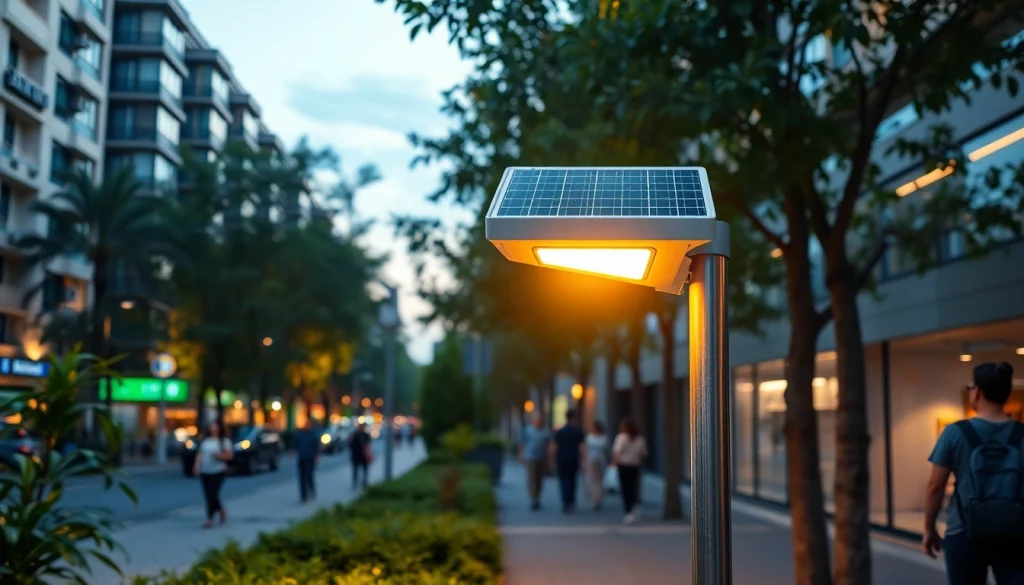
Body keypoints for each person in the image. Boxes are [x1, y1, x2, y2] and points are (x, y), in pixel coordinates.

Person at [923, 362, 1024, 584]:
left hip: (964, 531)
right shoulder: (1021, 434)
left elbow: (936, 487)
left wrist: (929, 529)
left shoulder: (955, 433)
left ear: (977, 392)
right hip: (1016, 533)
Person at [193, 421, 232, 529]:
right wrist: (197, 466)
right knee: (208, 495)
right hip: (205, 471)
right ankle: (220, 511)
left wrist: (219, 456)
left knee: (213, 493)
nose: (213, 428)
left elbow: (230, 455)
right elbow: (200, 454)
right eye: (211, 426)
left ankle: (210, 519)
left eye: (215, 426)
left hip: (218, 471)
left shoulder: (224, 441)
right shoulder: (206, 441)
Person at [613, 417, 647, 524]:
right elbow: (643, 453)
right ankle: (635, 508)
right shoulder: (640, 439)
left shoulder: (621, 438)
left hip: (624, 465)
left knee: (625, 489)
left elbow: (617, 452)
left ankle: (628, 511)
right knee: (634, 488)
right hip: (635, 466)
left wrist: (614, 464)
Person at [552, 409, 586, 514]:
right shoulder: (578, 431)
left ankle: (566, 502)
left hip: (562, 459)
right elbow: (582, 447)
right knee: (572, 481)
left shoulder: (560, 432)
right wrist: (583, 460)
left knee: (563, 481)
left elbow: (554, 447)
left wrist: (552, 460)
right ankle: (571, 501)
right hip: (574, 459)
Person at [519, 413, 550, 511]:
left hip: (542, 457)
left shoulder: (545, 432)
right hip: (530, 457)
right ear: (533, 421)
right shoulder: (527, 431)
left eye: (540, 421)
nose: (538, 422)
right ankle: (533, 499)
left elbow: (549, 445)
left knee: (539, 479)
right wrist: (521, 454)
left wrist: (549, 458)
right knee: (531, 479)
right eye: (537, 420)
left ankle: (537, 497)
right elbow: (522, 443)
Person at [584, 420, 609, 510]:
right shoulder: (601, 438)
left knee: (596, 480)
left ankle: (596, 498)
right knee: (595, 480)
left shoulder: (592, 438)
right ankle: (596, 498)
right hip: (595, 460)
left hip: (596, 460)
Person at [294, 420, 321, 503]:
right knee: (302, 477)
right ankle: (303, 496)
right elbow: (296, 443)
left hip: (310, 457)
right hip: (302, 457)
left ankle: (311, 489)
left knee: (309, 475)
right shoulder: (300, 434)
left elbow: (317, 445)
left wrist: (317, 456)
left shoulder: (313, 434)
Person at [348, 422, 372, 489]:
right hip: (357, 456)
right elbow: (350, 445)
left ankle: (364, 483)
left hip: (363, 456)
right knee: (356, 471)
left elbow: (368, 446)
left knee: (364, 471)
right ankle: (355, 483)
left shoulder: (365, 435)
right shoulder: (355, 435)